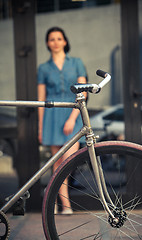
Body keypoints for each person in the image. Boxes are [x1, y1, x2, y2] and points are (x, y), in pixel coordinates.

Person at [37, 27, 87, 214]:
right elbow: (42, 100)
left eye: (59, 38)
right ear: (48, 43)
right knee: (56, 165)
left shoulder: (77, 63)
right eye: (51, 39)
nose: (56, 42)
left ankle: (61, 203)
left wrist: (73, 118)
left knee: (67, 161)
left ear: (65, 41)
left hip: (71, 113)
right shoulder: (43, 68)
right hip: (51, 116)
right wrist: (41, 128)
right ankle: (62, 206)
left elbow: (82, 92)